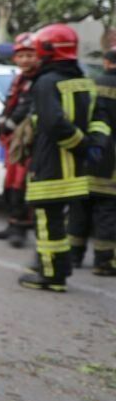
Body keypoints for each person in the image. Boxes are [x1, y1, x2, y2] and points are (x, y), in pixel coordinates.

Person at [19, 23, 103, 292]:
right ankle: (59, 267)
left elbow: (54, 123)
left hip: (51, 167)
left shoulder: (46, 82)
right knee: (59, 223)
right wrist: (93, 146)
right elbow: (99, 120)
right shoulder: (85, 81)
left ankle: (51, 275)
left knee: (47, 224)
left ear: (49, 51)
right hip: (77, 171)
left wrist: (80, 145)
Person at [0, 34, 38, 248]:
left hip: (26, 143)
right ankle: (12, 223)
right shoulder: (19, 79)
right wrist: (1, 123)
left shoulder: (38, 81)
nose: (25, 60)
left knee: (21, 185)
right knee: (10, 184)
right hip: (12, 141)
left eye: (30, 55)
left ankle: (21, 228)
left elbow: (26, 109)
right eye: (21, 56)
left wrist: (8, 125)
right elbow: (10, 103)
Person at [87, 46, 116, 276]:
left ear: (106, 62)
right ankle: (103, 261)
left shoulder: (93, 84)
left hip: (91, 150)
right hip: (113, 160)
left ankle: (74, 255)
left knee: (80, 207)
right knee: (107, 210)